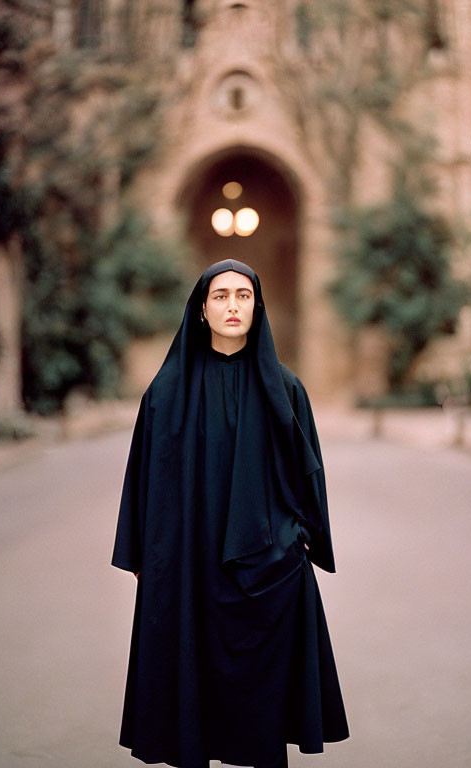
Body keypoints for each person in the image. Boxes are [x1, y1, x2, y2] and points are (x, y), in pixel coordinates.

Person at [112, 259, 348, 768]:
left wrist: (297, 540)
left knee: (262, 711)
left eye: (243, 296)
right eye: (220, 296)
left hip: (268, 572)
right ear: (201, 310)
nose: (232, 306)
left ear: (257, 307)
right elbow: (142, 477)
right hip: (188, 567)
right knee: (191, 691)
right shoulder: (166, 394)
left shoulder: (286, 391)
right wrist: (141, 555)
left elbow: (310, 479)